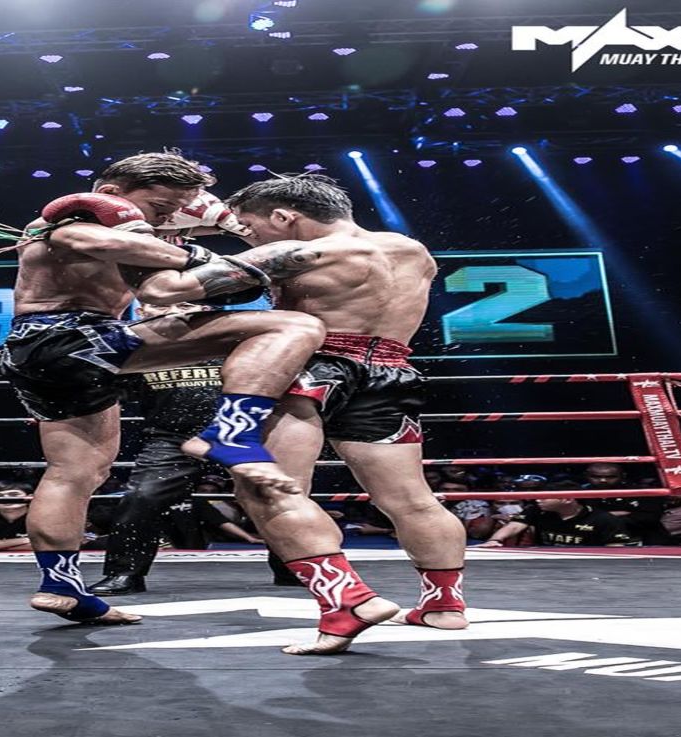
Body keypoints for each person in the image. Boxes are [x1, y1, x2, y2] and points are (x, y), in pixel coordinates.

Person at [0, 152, 327, 624]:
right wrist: (208, 261)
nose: (163, 219)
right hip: (70, 337)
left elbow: (227, 234)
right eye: (159, 207)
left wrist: (227, 227)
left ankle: (61, 587)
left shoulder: (139, 229)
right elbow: (96, 240)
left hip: (49, 351)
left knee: (77, 472)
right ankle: (233, 430)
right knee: (293, 326)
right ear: (113, 194)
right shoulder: (75, 220)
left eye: (171, 210)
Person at [135, 173, 462, 654]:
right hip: (391, 372)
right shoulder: (410, 250)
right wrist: (223, 228)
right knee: (411, 500)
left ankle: (346, 602)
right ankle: (443, 605)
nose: (248, 234)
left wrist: (149, 239)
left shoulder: (297, 254)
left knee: (268, 489)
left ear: (284, 216)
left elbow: (164, 292)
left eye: (251, 225)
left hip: (311, 371)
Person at [90, 302, 289, 595]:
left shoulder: (236, 340)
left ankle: (293, 568)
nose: (174, 310)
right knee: (141, 497)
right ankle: (124, 573)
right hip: (171, 437)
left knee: (276, 495)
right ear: (142, 312)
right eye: (161, 305)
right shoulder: (133, 351)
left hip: (240, 433)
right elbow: (100, 395)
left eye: (185, 303)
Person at [476, 497, 638, 547]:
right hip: (546, 561)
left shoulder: (603, 519)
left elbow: (616, 546)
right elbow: (515, 526)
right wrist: (495, 540)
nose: (538, 500)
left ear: (566, 499)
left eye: (545, 497)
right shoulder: (537, 510)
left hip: (589, 563)